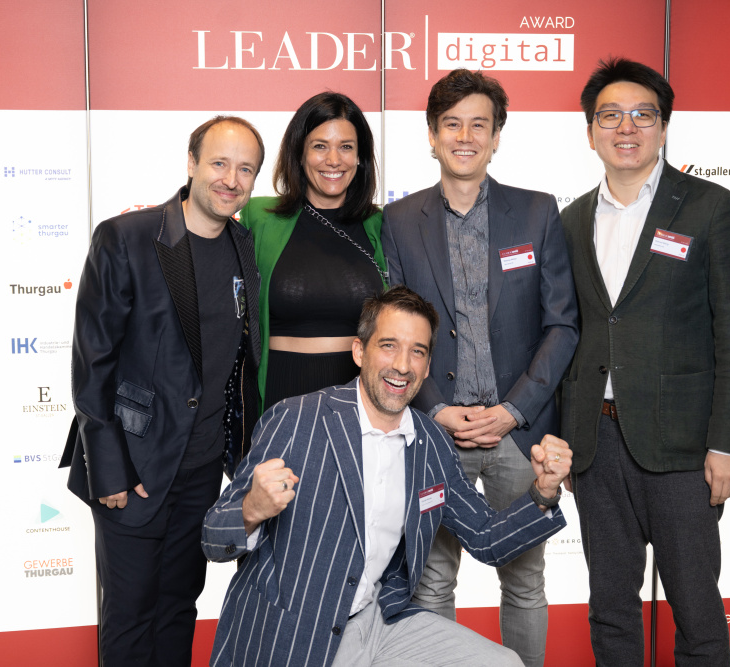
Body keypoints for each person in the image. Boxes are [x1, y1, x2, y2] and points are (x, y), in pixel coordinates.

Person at [202, 286, 571, 667]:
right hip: (294, 634)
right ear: (359, 351)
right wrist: (250, 510)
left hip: (379, 620)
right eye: (389, 346)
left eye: (417, 351)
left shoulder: (431, 443)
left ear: (427, 366)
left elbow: (486, 537)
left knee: (504, 663)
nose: (403, 365)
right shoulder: (297, 420)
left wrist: (543, 491)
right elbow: (213, 538)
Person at [559, 57, 730, 666]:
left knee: (696, 610)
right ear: (590, 131)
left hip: (684, 448)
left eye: (642, 115)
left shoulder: (710, 207)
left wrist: (728, 443)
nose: (627, 128)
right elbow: (569, 334)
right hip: (596, 445)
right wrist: (565, 437)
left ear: (664, 127)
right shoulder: (570, 220)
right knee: (609, 609)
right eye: (610, 116)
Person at [381, 69, 578, 665]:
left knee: (524, 582)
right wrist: (435, 409)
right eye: (452, 124)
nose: (464, 137)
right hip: (435, 432)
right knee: (431, 582)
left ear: (496, 137)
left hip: (519, 433)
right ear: (432, 135)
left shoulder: (537, 212)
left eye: (478, 125)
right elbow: (394, 332)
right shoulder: (399, 220)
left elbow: (562, 324)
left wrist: (514, 409)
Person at [59, 116, 265, 666]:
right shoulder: (127, 238)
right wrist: (109, 469)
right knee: (130, 616)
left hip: (201, 472)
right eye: (219, 163)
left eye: (246, 169)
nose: (231, 179)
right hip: (134, 468)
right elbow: (92, 363)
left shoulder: (244, 247)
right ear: (191, 163)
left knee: (178, 608)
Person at [239, 91, 387, 410]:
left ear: (360, 157)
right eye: (320, 146)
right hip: (283, 394)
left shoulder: (381, 224)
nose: (333, 160)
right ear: (299, 153)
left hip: (362, 400)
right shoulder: (259, 218)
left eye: (346, 147)